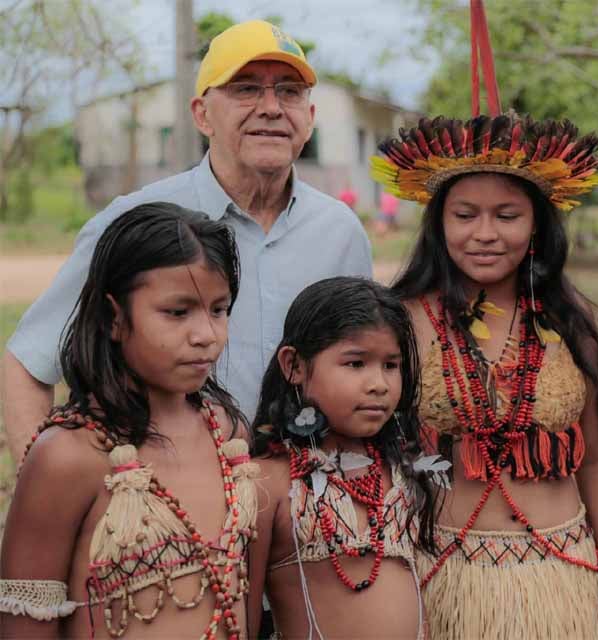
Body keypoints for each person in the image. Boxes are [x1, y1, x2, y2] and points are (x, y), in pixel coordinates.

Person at [3, 19, 373, 458]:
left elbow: (363, 366)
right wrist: (44, 490)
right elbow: (28, 364)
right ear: (201, 114)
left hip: (301, 498)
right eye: (246, 89)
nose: (272, 107)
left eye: (290, 91)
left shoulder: (341, 231)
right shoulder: (135, 222)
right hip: (168, 500)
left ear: (309, 118)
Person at [372, 107, 598, 637]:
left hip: (563, 577)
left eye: (507, 216)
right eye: (465, 215)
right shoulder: (399, 321)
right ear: (439, 222)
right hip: (442, 578)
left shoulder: (571, 327)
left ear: (537, 225)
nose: (485, 234)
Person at [0, 203, 259, 638]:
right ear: (113, 318)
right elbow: (23, 622)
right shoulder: (69, 456)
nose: (207, 335)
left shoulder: (228, 435)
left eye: (219, 310)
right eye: (178, 312)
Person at [246, 277, 437, 639]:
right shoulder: (269, 483)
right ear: (294, 366)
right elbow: (244, 617)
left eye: (391, 365)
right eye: (355, 364)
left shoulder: (404, 473)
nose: (378, 383)